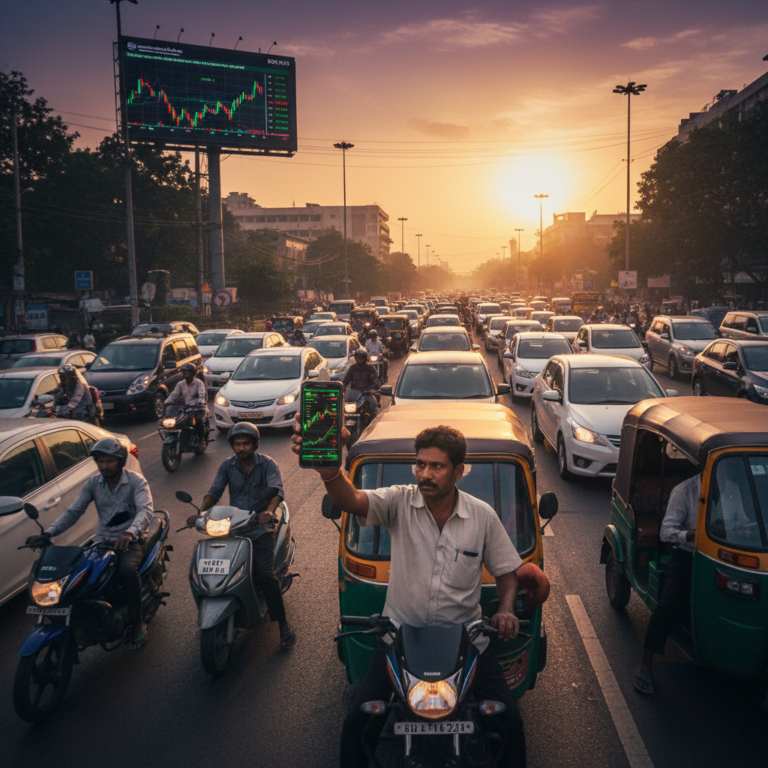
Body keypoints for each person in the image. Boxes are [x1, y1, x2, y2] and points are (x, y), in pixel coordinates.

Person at [291, 423, 527, 768]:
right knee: (357, 724)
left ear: (459, 471)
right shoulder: (398, 501)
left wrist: (505, 608)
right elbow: (351, 500)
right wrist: (330, 473)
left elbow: (506, 572)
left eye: (437, 466)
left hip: (467, 639)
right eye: (420, 464)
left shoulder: (482, 516)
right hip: (398, 637)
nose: (425, 474)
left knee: (510, 725)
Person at [28, 438, 153, 652]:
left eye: (109, 461)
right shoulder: (93, 483)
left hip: (132, 540)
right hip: (102, 541)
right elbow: (73, 512)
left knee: (126, 570)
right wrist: (48, 532)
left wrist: (130, 533)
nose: (104, 466)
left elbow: (145, 511)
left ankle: (137, 623)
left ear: (120, 461)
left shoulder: (136, 481)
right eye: (100, 461)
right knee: (80, 575)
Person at [188, 422, 296, 649]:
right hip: (234, 527)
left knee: (265, 574)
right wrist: (201, 513)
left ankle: (283, 625)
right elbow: (215, 491)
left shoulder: (267, 464)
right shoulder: (227, 466)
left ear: (255, 444)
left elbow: (277, 491)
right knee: (217, 567)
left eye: (246, 444)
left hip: (259, 527)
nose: (241, 448)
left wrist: (268, 511)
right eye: (237, 444)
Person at [634, 473, 701, 695]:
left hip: (725, 555)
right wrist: (692, 535)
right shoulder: (685, 491)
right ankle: (646, 660)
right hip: (689, 555)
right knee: (668, 604)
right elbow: (666, 533)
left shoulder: (733, 488)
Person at [165, 362, 208, 449]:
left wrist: (200, 402)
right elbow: (173, 395)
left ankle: (201, 439)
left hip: (198, 408)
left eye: (187, 372)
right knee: (177, 420)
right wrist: (166, 402)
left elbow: (202, 395)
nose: (185, 374)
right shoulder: (180, 384)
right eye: (183, 372)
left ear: (193, 373)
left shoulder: (199, 383)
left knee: (198, 421)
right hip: (186, 408)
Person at [342, 348, 380, 420]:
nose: (359, 359)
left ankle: (374, 422)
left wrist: (373, 389)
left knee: (373, 404)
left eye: (361, 358)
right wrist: (342, 388)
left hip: (367, 394)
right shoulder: (352, 368)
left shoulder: (370, 369)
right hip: (355, 395)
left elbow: (376, 382)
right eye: (357, 357)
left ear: (365, 358)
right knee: (343, 407)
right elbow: (345, 381)